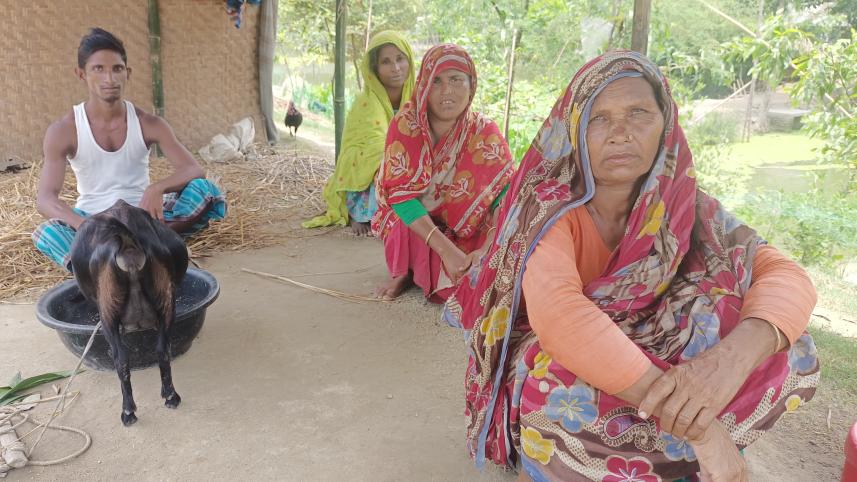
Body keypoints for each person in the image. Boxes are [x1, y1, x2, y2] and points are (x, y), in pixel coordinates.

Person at [445, 51, 819, 481]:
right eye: (598, 119)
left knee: (787, 344)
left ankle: (658, 452)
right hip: (575, 363)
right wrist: (702, 430)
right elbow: (561, 317)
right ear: (574, 132)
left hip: (647, 369)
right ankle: (681, 449)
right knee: (551, 382)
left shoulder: (684, 204)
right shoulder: (548, 212)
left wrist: (727, 362)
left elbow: (785, 275)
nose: (620, 133)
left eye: (638, 112)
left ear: (666, 123)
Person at [33, 28, 226, 271]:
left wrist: (157, 188)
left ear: (128, 73)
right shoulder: (64, 130)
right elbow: (45, 199)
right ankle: (105, 267)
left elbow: (193, 169)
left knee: (206, 191)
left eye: (117, 68)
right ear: (81, 74)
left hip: (146, 216)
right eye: (98, 69)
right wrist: (84, 225)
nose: (110, 79)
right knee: (47, 233)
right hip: (95, 219)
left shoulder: (148, 123)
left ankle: (127, 250)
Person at [372, 44, 515, 302]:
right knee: (404, 229)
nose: (446, 91)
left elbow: (503, 194)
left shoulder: (484, 131)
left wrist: (485, 249)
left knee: (505, 249)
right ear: (424, 85)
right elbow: (402, 198)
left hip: (464, 225)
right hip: (416, 221)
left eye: (456, 79)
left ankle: (460, 265)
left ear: (471, 86)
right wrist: (449, 253)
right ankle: (403, 272)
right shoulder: (406, 125)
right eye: (436, 81)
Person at [303, 31, 416, 236]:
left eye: (400, 59)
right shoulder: (367, 102)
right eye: (386, 62)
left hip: (405, 162)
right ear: (375, 69)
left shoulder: (417, 97)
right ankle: (362, 213)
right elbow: (373, 145)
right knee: (383, 156)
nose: (396, 68)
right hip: (372, 163)